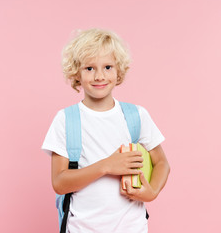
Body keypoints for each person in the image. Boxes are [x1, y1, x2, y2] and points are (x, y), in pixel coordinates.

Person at [42, 28, 170, 233]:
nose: (99, 76)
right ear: (76, 72)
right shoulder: (65, 120)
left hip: (132, 228)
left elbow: (162, 163)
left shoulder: (136, 116)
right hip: (81, 228)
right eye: (89, 68)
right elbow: (59, 183)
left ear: (119, 70)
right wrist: (106, 166)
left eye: (108, 67)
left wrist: (152, 192)